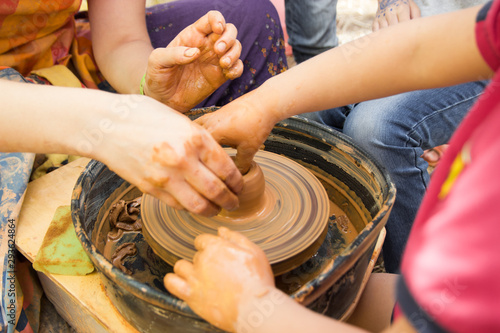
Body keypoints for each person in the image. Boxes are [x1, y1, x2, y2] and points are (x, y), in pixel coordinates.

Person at [165, 2, 500, 332]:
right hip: (441, 298)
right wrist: (261, 105)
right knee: (333, 299)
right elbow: (419, 49)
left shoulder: (484, 207)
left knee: (378, 129)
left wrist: (254, 309)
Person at [0, 0, 287, 330]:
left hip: (60, 61)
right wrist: (106, 126)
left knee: (254, 17)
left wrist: (147, 88)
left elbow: (121, 39)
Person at [285, 0, 487, 273]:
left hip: (483, 50)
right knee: (303, 111)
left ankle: (415, 283)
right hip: (409, 38)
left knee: (375, 129)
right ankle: (327, 252)